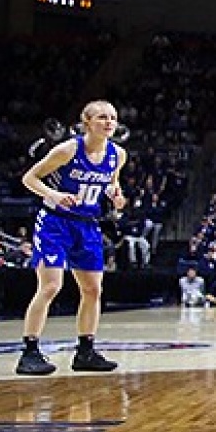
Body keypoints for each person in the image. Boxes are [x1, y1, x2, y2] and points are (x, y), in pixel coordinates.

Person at [14, 101, 128, 375]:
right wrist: (52, 195)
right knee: (51, 286)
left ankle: (85, 351)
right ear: (87, 122)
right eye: (102, 117)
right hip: (55, 222)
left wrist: (116, 195)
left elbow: (113, 182)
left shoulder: (118, 154)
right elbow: (29, 178)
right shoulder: (68, 149)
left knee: (93, 290)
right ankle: (29, 352)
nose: (109, 122)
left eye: (112, 118)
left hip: (88, 224)